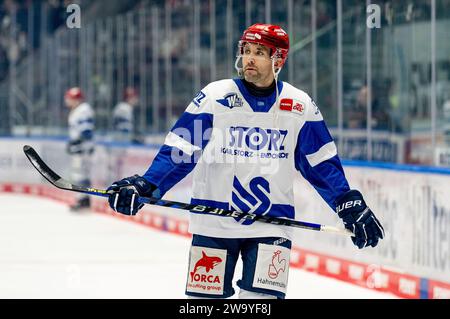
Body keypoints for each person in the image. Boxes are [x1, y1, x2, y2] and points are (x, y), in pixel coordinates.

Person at [106, 23, 384, 299]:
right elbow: (181, 150)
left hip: (271, 223)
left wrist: (346, 201)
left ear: (279, 60)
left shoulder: (299, 105)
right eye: (247, 50)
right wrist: (147, 184)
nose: (249, 58)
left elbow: (321, 163)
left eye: (260, 52)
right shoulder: (216, 97)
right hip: (213, 221)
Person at [65, 87, 95, 211]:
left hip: (82, 149)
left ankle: (82, 199)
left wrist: (77, 143)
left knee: (80, 174)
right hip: (80, 147)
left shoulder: (83, 110)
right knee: (80, 174)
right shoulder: (78, 110)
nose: (67, 101)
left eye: (69, 98)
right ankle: (83, 198)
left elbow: (86, 131)